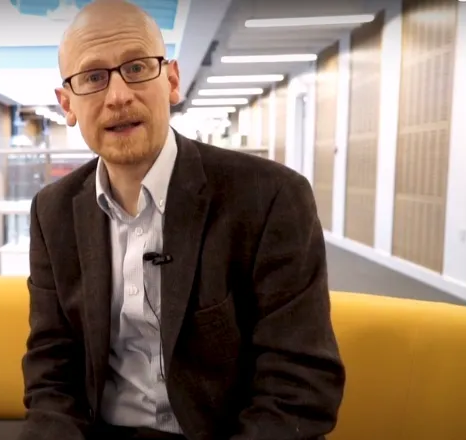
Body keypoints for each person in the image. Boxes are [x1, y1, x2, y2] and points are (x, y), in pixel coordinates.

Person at [19, 1, 346, 439]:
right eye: (93, 77)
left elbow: (298, 385)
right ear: (67, 104)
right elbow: (51, 366)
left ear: (171, 80)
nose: (118, 96)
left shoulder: (270, 199)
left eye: (136, 67)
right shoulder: (52, 211)